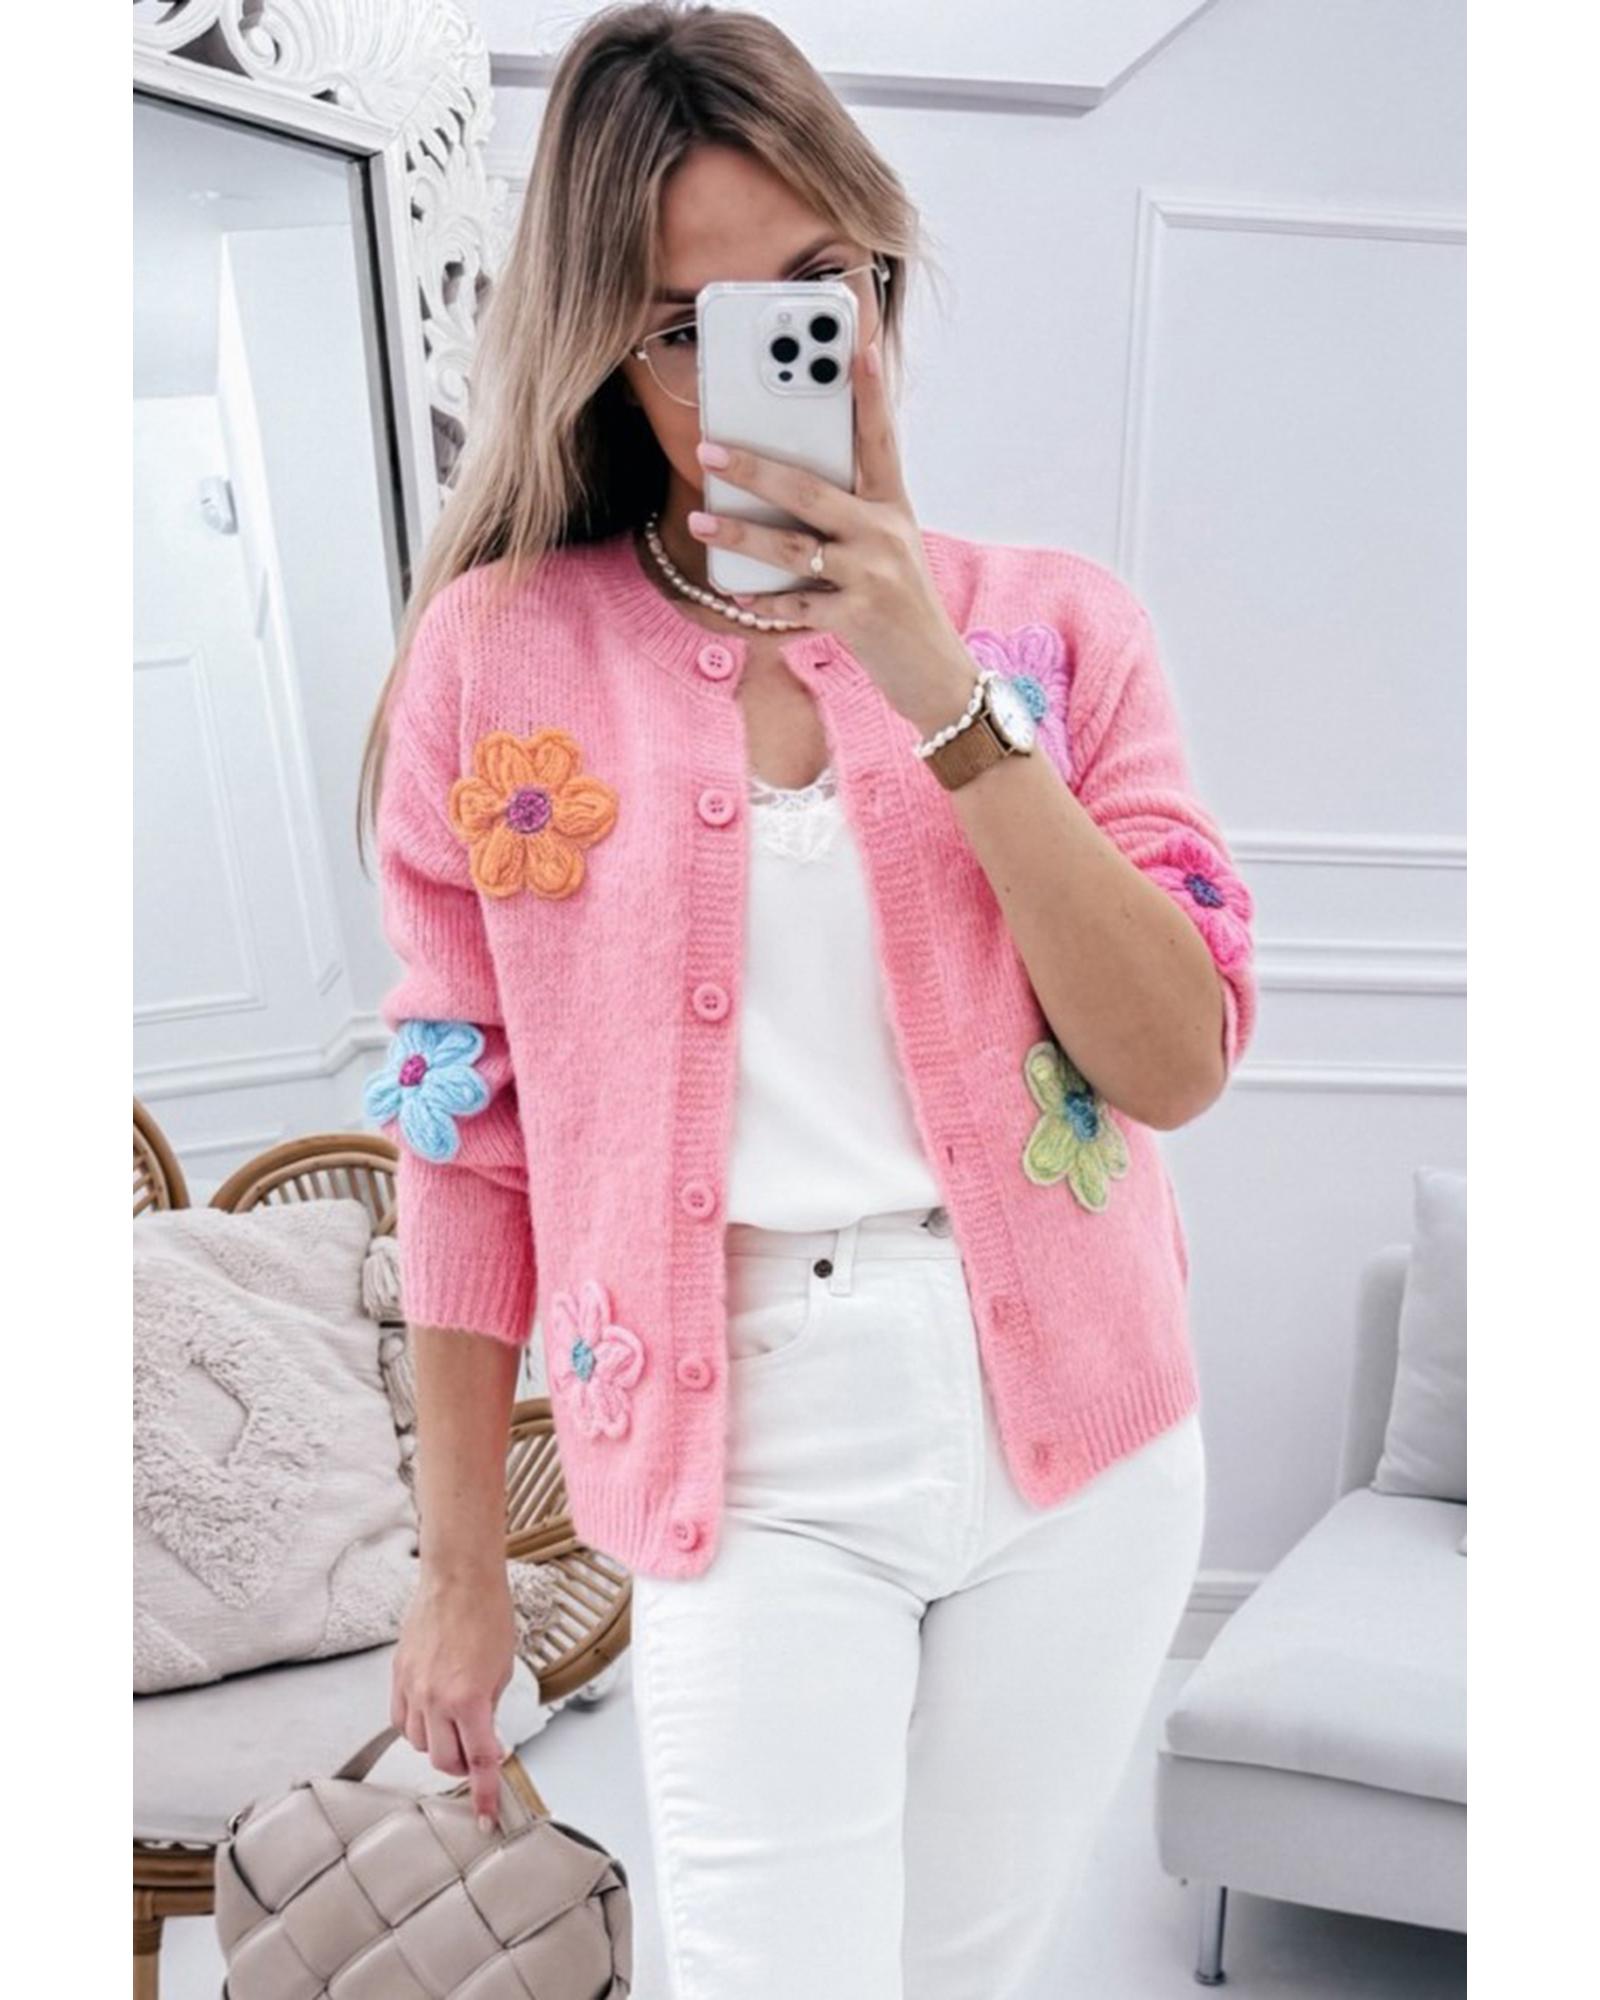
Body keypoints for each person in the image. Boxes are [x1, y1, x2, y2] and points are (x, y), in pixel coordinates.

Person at [360, 6, 1257, 1995]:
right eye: (684, 325)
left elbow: (1173, 1058)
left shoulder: (1057, 626)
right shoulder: (497, 661)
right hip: (742, 1439)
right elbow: (462, 1140)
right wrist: (459, 1568)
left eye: (811, 287)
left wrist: (936, 680)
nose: (762, 362)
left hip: (1085, 1437)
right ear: (603, 345)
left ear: (876, 276)